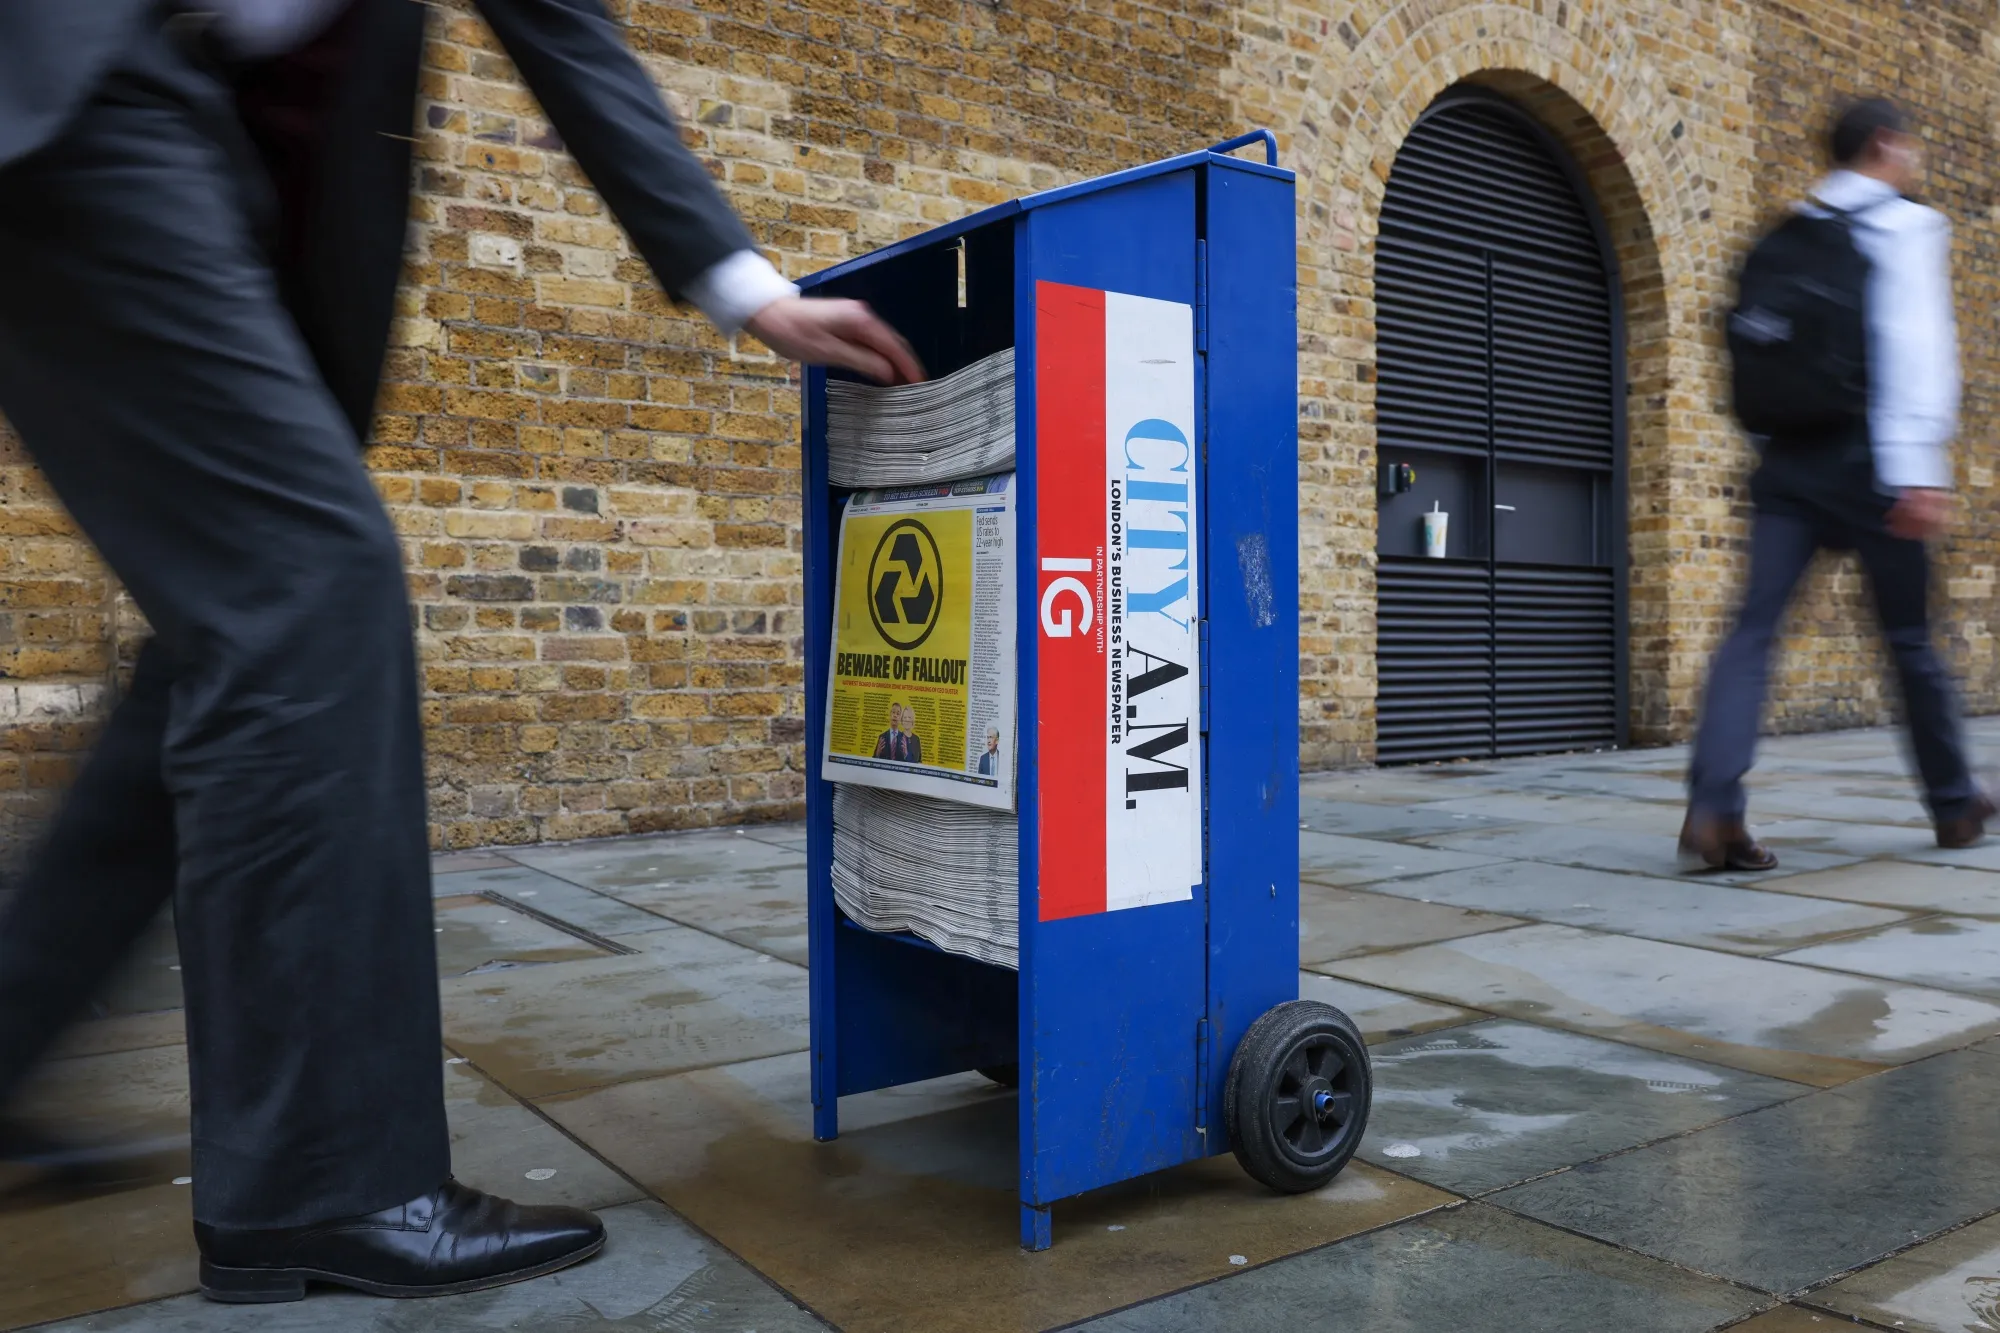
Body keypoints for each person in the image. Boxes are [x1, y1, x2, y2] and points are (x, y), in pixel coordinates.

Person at [0, 0, 920, 1305]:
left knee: (237, 639)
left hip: (168, 139)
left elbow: (555, 25)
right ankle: (322, 1184)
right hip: (77, 102)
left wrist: (744, 286)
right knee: (306, 594)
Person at [1682, 95, 1986, 871]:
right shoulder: (1906, 227)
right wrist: (1921, 472)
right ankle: (1955, 805)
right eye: (1910, 146)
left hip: (1788, 461)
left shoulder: (1783, 235)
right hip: (1873, 460)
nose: (1914, 159)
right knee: (1908, 637)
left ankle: (1714, 806)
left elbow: (1748, 357)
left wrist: (1775, 445)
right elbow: (1917, 343)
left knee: (1753, 631)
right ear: (1884, 143)